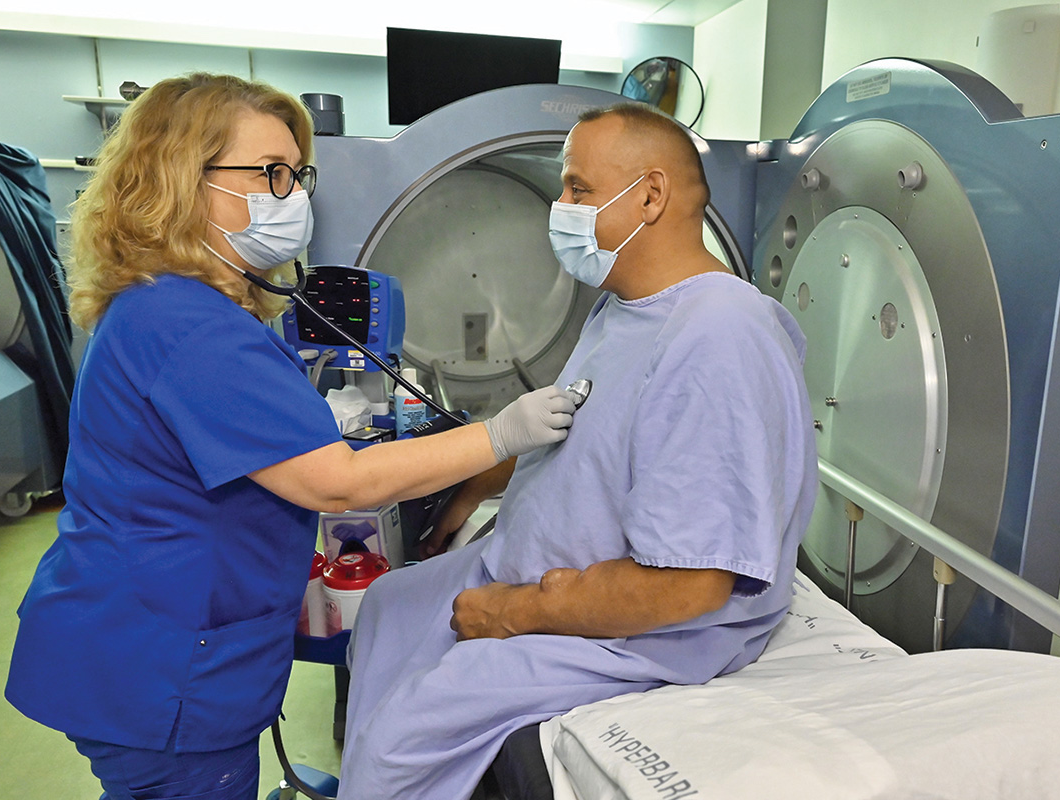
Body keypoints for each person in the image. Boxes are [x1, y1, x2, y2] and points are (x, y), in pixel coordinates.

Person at [4, 73, 576, 800]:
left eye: (297, 173)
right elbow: (335, 481)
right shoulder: (189, 326)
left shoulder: (178, 309)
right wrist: (502, 433)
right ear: (183, 180)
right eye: (270, 174)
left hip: (140, 638)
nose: (293, 195)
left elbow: (261, 461)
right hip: (161, 669)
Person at [338, 102, 819, 799]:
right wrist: (477, 486)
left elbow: (693, 584)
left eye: (576, 189)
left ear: (650, 196)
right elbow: (572, 421)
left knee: (399, 741)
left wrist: (514, 611)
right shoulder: (623, 306)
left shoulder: (719, 335)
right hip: (539, 564)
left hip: (645, 626)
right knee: (387, 609)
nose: (557, 207)